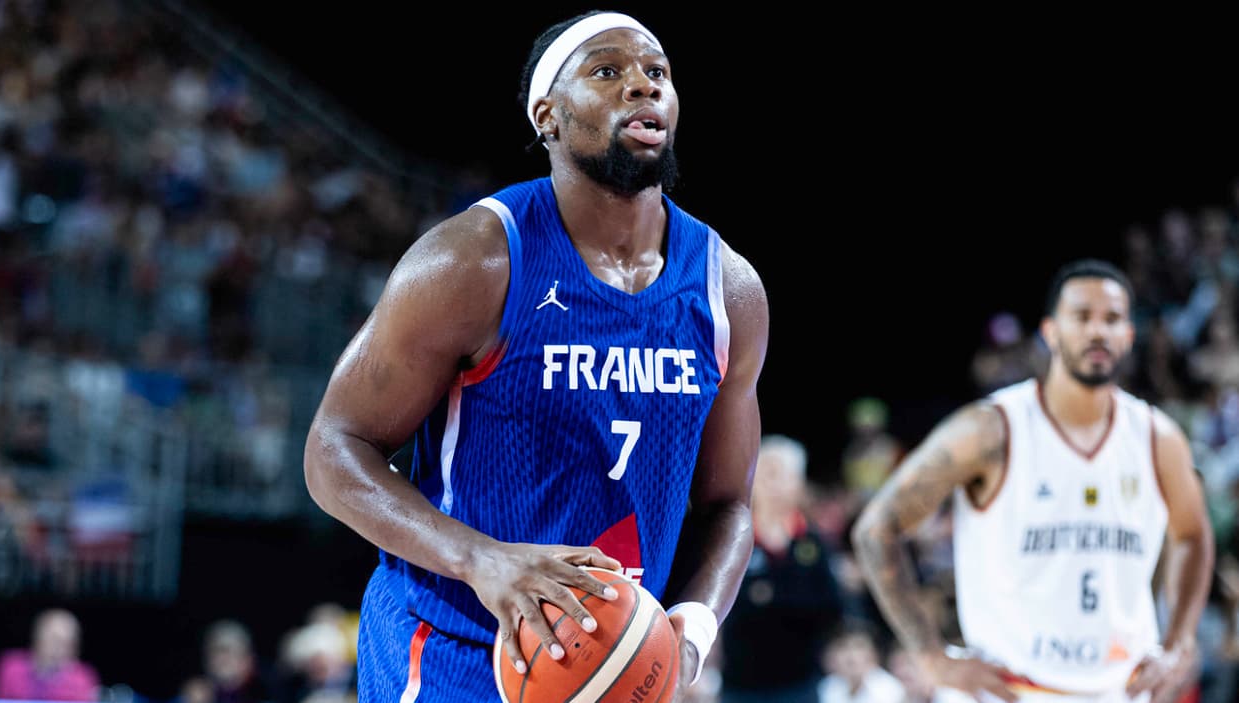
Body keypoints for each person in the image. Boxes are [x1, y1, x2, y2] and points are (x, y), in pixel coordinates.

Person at [302, 10, 769, 703]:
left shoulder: (727, 289)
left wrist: (691, 631)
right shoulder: (474, 260)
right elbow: (333, 450)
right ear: (548, 116)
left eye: (657, 73)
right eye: (608, 71)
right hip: (452, 653)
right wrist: (481, 560)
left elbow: (728, 504)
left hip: (612, 666)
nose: (643, 85)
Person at [851, 259, 1214, 703]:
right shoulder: (991, 430)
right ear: (1050, 332)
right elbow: (876, 527)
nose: (1097, 331)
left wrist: (1180, 640)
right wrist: (929, 655)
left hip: (1121, 689)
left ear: (1128, 335)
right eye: (1082, 316)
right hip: (1010, 690)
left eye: (1112, 319)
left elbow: (1192, 534)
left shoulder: (1158, 438)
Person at [718, 434, 847, 702]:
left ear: (798, 484)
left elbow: (831, 607)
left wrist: (767, 596)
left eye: (778, 474)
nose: (770, 483)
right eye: (763, 473)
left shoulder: (814, 542)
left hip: (801, 683)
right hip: (741, 685)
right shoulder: (735, 540)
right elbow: (725, 606)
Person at [0, 608, 100, 701]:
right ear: (37, 637)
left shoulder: (83, 677)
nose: (59, 648)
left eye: (67, 642)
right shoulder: (10, 667)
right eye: (54, 639)